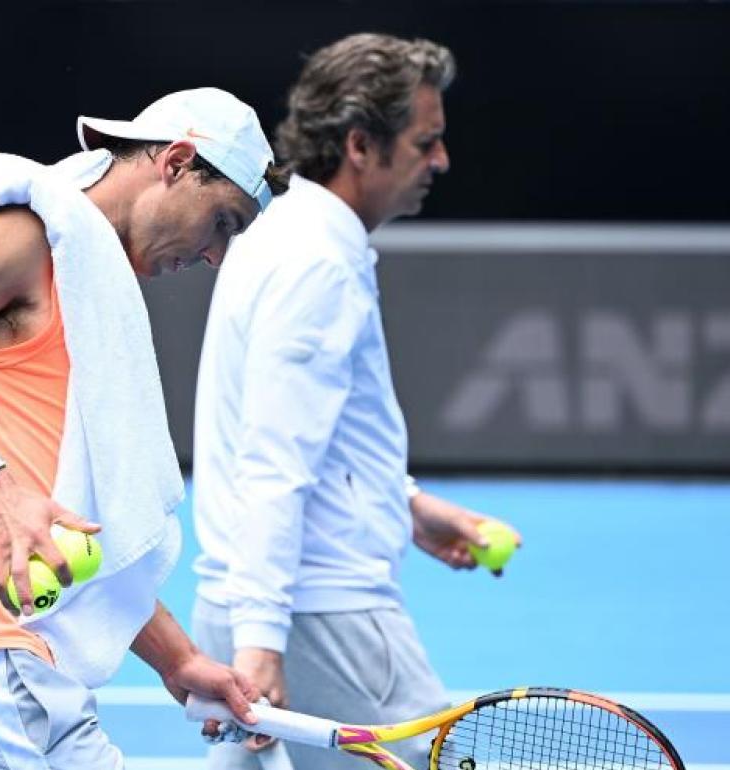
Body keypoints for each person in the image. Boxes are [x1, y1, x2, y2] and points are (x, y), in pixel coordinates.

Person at [0, 87, 289, 770]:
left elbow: (75, 532)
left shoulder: (88, 290)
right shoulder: (20, 235)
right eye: (224, 222)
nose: (217, 256)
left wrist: (179, 659)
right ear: (179, 163)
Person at [191, 34, 522, 770]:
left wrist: (402, 503)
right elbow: (275, 457)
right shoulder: (317, 264)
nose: (440, 161)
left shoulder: (279, 229)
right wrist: (262, 640)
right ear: (359, 145)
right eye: (424, 142)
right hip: (319, 618)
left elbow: (301, 431)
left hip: (249, 601)